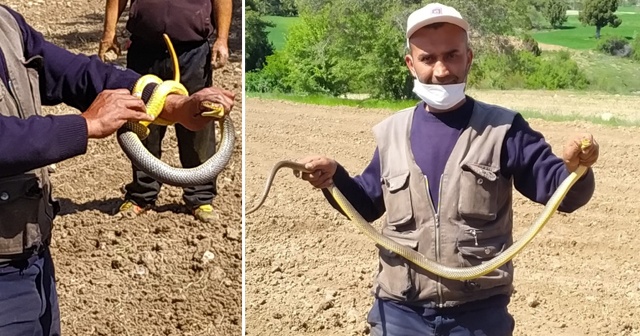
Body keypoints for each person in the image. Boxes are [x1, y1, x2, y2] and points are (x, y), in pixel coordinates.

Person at [296, 3, 599, 336]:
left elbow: (562, 193)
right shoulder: (392, 132)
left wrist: (577, 169)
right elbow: (365, 205)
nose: (441, 70)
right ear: (411, 64)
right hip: (399, 312)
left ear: (468, 58)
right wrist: (334, 177)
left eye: (452, 56)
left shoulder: (504, 129)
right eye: (428, 58)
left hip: (478, 316)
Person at [0, 4, 234, 335]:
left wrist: (171, 104)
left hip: (32, 259)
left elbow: (75, 73)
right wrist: (83, 126)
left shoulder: (7, 24)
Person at [98, 0, 233, 223]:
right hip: (144, 50)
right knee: (142, 119)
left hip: (192, 52)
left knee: (197, 121)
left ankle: (200, 197)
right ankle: (142, 195)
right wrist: (108, 33)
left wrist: (222, 39)